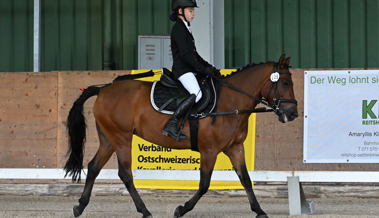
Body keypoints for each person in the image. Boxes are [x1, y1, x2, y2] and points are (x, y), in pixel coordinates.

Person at [162, 0, 218, 141]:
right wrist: (202, 69)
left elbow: (194, 54)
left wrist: (208, 66)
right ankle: (172, 124)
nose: (193, 14)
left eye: (193, 11)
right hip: (183, 70)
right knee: (197, 94)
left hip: (189, 69)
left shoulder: (185, 27)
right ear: (180, 11)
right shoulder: (178, 29)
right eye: (190, 11)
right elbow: (186, 56)